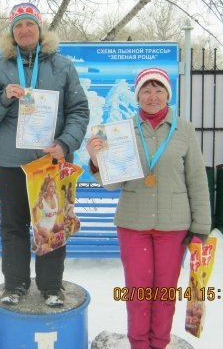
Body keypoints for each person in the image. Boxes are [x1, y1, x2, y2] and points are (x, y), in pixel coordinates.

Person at [0, 2, 90, 307]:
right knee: (13, 226)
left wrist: (65, 144)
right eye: (19, 26)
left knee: (51, 224)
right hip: (11, 163)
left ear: (40, 30)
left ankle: (51, 287)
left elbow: (79, 111)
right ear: (12, 33)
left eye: (30, 25)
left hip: (51, 162)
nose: (25, 30)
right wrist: (3, 97)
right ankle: (15, 285)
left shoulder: (62, 66)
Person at [86, 67, 211, 349]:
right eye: (146, 90)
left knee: (165, 294)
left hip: (173, 227)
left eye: (158, 90)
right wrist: (96, 161)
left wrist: (201, 229)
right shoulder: (122, 131)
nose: (152, 96)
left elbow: (197, 180)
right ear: (137, 95)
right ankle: (139, 344)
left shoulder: (184, 130)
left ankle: (159, 344)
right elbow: (112, 184)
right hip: (134, 225)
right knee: (138, 293)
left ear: (168, 94)